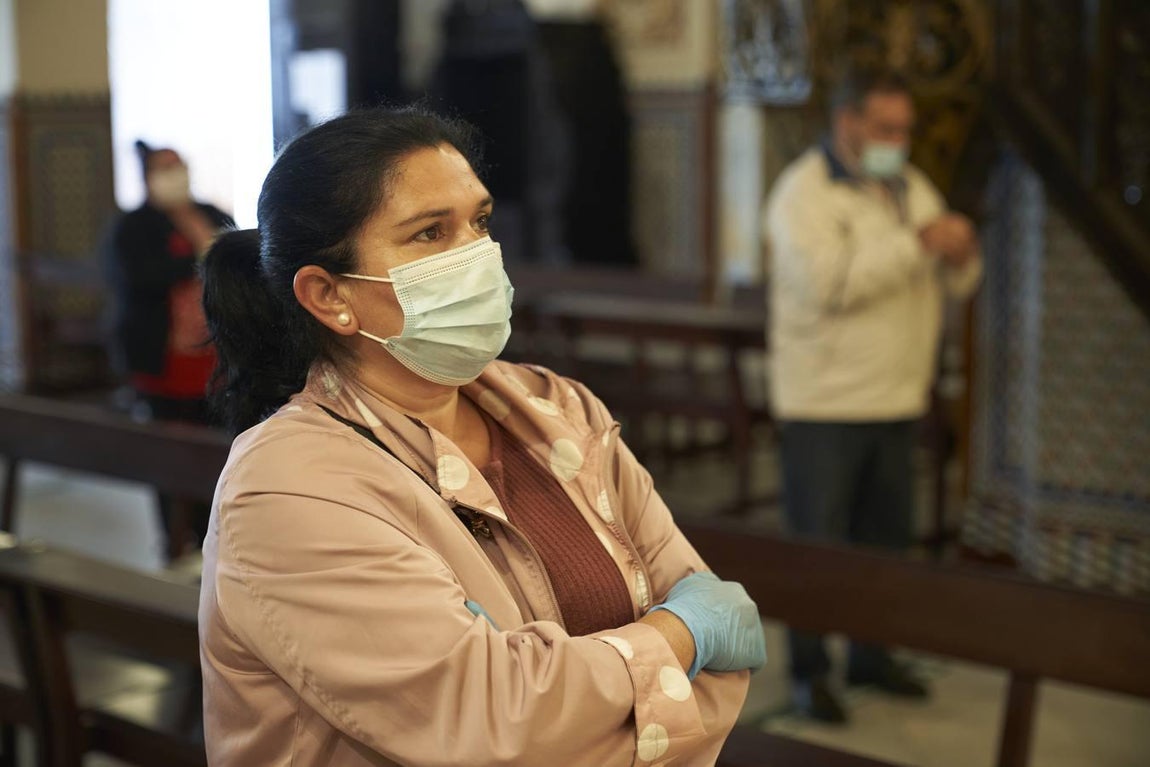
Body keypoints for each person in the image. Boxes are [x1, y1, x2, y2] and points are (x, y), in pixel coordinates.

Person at [198, 107, 766, 766]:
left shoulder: (555, 407)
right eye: (430, 233)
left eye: (480, 221)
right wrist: (680, 636)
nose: (475, 253)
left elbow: (722, 680)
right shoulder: (287, 488)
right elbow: (489, 725)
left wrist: (591, 702)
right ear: (328, 295)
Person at [762, 67, 982, 724]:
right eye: (886, 128)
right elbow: (832, 284)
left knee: (886, 545)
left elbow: (958, 283)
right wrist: (918, 243)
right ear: (846, 122)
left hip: (896, 396)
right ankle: (810, 673)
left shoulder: (909, 185)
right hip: (825, 404)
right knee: (818, 549)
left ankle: (872, 657)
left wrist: (961, 251)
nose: (899, 141)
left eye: (904, 129)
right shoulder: (802, 192)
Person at [105, 141, 233, 424]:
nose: (174, 174)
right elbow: (138, 278)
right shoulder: (133, 226)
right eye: (165, 169)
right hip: (161, 349)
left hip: (216, 351)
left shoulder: (213, 215)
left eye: (178, 167)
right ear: (148, 176)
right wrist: (198, 257)